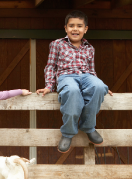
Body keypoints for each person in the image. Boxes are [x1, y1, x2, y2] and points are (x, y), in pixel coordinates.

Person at [36, 10, 113, 153]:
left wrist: (101, 86)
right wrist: (49, 85)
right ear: (66, 28)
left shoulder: (90, 48)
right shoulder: (57, 44)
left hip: (86, 76)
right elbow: (51, 66)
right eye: (71, 26)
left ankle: (88, 127)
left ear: (85, 29)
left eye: (79, 26)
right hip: (66, 76)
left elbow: (91, 70)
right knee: (72, 91)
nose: (75, 29)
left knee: (99, 86)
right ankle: (68, 132)